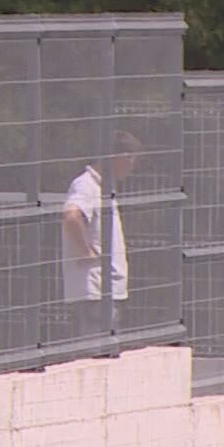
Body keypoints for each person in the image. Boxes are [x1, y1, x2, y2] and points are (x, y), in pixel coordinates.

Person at [61, 130, 140, 339]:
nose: (133, 166)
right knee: (95, 352)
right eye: (132, 159)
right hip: (94, 290)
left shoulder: (104, 187)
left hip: (106, 290)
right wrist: (85, 252)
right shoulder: (86, 185)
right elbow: (71, 216)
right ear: (121, 157)